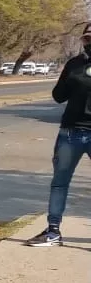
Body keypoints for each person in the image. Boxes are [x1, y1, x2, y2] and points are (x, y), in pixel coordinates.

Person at [27, 23, 91, 247]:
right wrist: (71, 80)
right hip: (70, 132)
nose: (89, 43)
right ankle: (53, 231)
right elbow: (58, 96)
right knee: (59, 183)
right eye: (87, 39)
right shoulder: (75, 65)